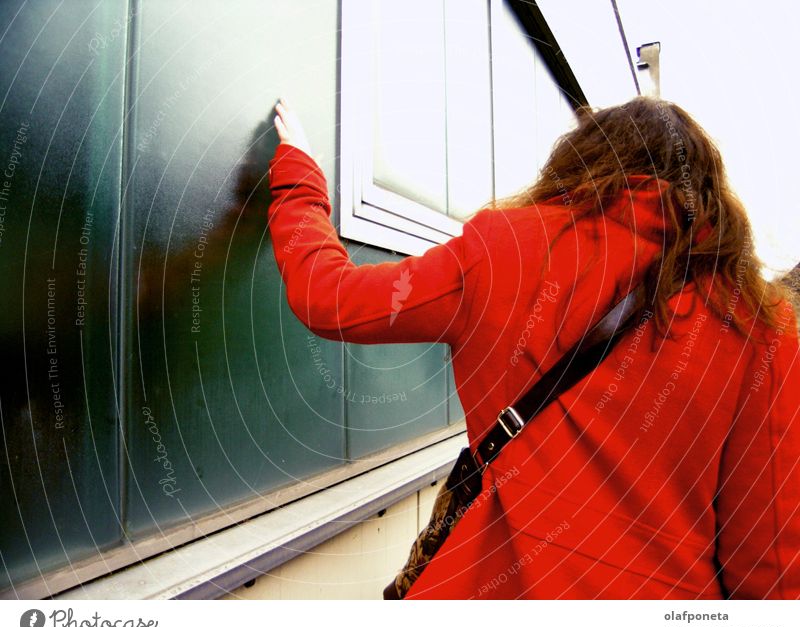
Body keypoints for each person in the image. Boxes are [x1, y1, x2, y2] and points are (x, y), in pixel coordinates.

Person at [268, 95, 800, 599]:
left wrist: (300, 176)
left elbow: (330, 298)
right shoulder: (764, 328)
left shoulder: (505, 250)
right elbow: (769, 563)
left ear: (582, 160)